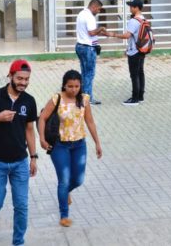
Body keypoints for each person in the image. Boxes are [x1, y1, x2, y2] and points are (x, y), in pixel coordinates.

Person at [0, 59, 39, 245]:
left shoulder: (29, 101)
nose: (23, 83)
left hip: (20, 162)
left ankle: (18, 242)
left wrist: (33, 157)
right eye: (19, 78)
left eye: (26, 79)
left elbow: (30, 129)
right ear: (10, 76)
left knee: (21, 206)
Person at [37, 70, 103, 227]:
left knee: (79, 180)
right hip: (60, 146)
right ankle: (64, 215)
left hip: (79, 145)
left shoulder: (84, 99)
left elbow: (90, 121)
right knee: (64, 180)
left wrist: (97, 143)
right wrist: (42, 139)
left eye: (77, 86)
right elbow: (42, 118)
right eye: (70, 86)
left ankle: (66, 192)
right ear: (64, 86)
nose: (74, 90)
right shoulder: (57, 99)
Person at [104, 0, 147, 106]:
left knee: (134, 75)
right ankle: (140, 96)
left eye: (131, 6)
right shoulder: (143, 18)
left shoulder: (134, 21)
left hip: (134, 52)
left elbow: (127, 35)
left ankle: (134, 99)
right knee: (140, 72)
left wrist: (114, 34)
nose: (130, 8)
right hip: (142, 50)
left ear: (137, 8)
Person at [75, 0, 107, 105]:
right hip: (88, 48)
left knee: (84, 73)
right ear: (94, 7)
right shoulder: (90, 17)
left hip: (80, 46)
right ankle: (87, 99)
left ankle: (82, 96)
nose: (98, 11)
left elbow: (87, 32)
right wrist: (101, 28)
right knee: (89, 74)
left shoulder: (81, 13)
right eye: (98, 9)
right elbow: (91, 32)